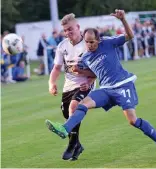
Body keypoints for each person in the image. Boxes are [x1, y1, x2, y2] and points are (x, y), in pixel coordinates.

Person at [45, 9, 156, 160]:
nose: (89, 45)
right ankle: (65, 129)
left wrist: (123, 20)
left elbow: (130, 36)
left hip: (122, 85)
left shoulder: (108, 42)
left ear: (99, 40)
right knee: (82, 104)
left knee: (132, 120)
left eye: (92, 42)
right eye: (86, 42)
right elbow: (93, 74)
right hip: (106, 89)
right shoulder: (86, 56)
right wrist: (85, 79)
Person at [46, 13, 96, 161]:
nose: (68, 33)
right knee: (69, 116)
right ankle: (78, 145)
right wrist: (51, 83)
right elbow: (56, 68)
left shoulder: (88, 45)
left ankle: (72, 144)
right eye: (65, 30)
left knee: (73, 107)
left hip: (85, 84)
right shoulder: (62, 46)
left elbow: (98, 69)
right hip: (68, 86)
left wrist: (91, 81)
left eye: (70, 29)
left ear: (78, 27)